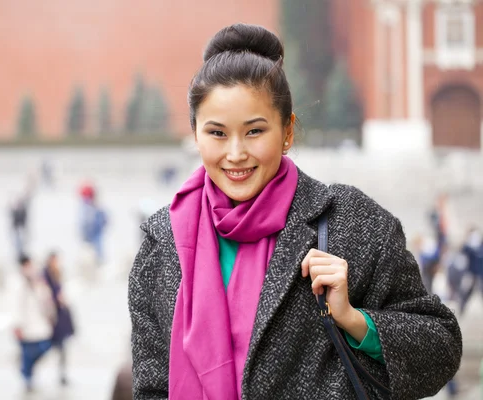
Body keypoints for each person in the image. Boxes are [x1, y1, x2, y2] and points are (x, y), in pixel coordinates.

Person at [128, 24, 462, 399]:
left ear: (287, 131)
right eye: (217, 133)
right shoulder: (162, 244)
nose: (236, 154)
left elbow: (442, 347)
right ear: (195, 135)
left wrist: (354, 320)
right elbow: (153, 387)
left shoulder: (351, 223)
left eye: (255, 131)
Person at [11, 254, 56, 392]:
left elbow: (46, 299)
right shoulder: (17, 283)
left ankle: (28, 370)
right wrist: (17, 325)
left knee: (44, 347)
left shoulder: (39, 282)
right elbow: (14, 305)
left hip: (40, 324)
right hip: (26, 326)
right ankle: (27, 377)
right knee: (27, 353)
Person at [42, 252, 75, 386]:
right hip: (51, 318)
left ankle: (62, 374)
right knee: (46, 346)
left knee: (62, 348)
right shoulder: (45, 276)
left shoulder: (56, 274)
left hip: (60, 318)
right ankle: (28, 371)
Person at [78, 183, 108, 266]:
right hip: (91, 237)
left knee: (96, 255)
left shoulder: (92, 208)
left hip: (94, 237)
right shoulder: (91, 207)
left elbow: (87, 223)